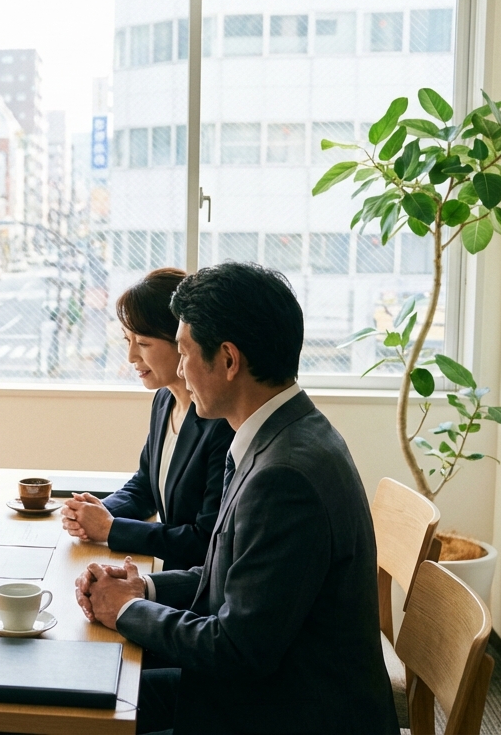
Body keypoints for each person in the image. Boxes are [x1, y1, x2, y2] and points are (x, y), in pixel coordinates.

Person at [75, 262, 395, 734]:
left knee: (84, 709)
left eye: (183, 353)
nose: (179, 370)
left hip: (284, 711)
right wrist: (146, 589)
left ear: (228, 360)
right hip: (267, 692)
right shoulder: (283, 435)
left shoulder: (284, 477)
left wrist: (123, 609)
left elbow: (236, 650)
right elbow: (234, 575)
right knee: (88, 692)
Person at [60, 268, 233, 570]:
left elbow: (205, 542)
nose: (130, 356)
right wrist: (98, 512)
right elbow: (145, 486)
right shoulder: (164, 399)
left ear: (182, 340)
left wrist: (111, 529)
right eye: (127, 340)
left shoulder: (221, 422)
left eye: (143, 343)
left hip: (192, 587)